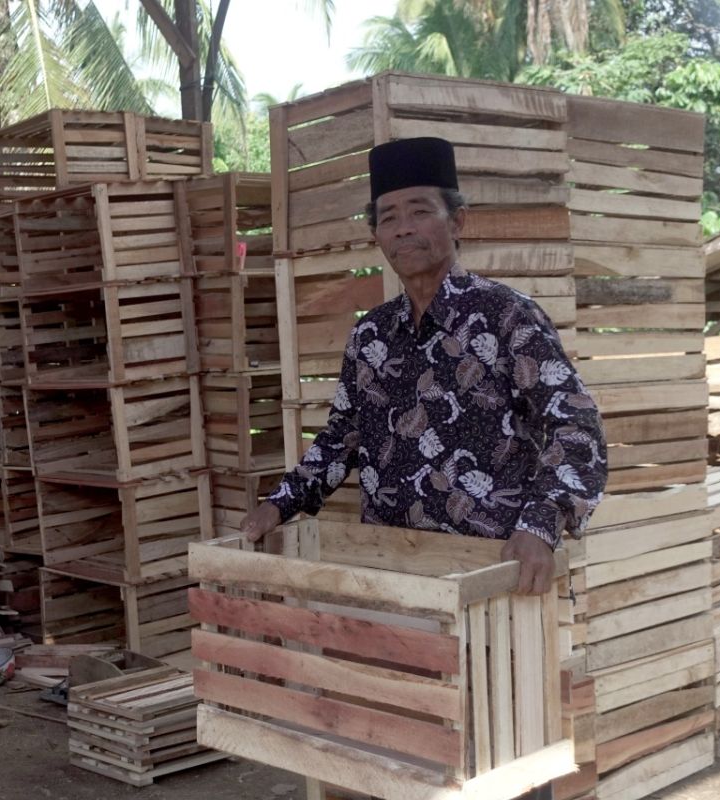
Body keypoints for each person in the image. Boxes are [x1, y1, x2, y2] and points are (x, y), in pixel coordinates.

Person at [242, 137, 606, 798]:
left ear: (456, 221)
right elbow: (341, 439)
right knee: (410, 757)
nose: (403, 226)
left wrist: (542, 518)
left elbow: (576, 429)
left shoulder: (507, 318)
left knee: (507, 760)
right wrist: (282, 502)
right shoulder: (370, 336)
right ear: (375, 234)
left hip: (491, 588)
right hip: (399, 585)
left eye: (419, 210)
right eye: (387, 215)